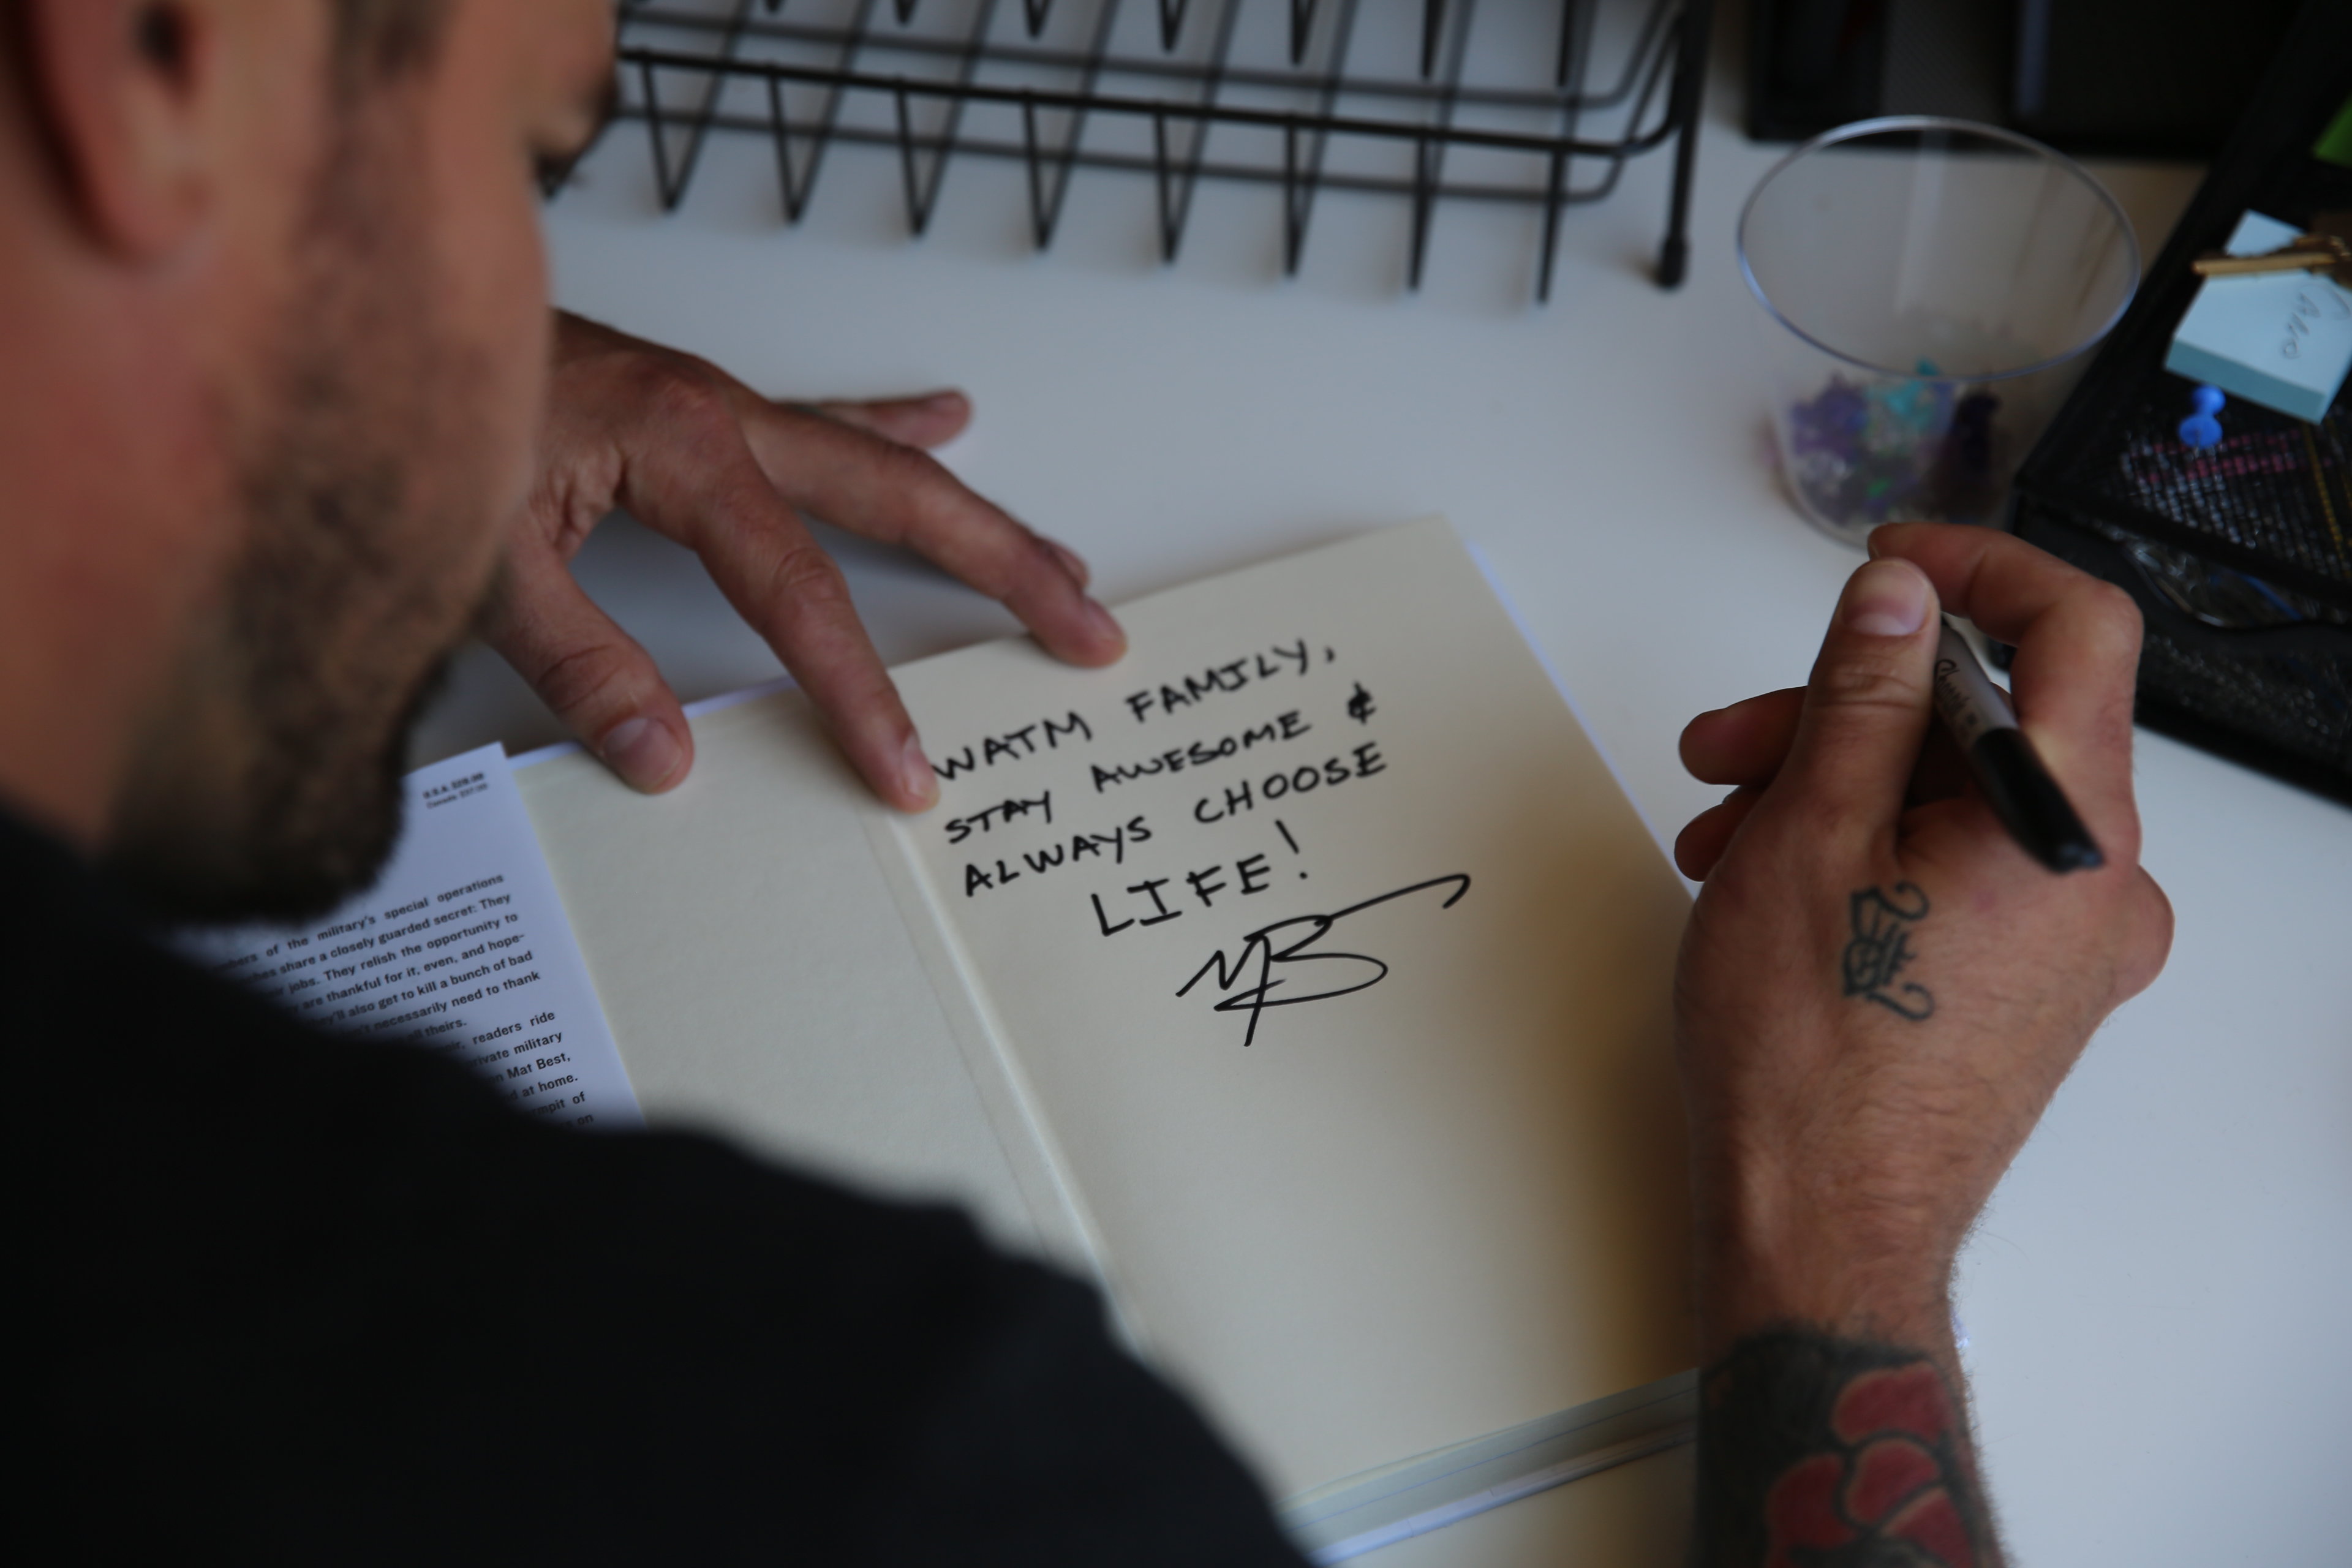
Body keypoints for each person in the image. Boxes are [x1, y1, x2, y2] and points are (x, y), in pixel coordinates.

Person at [4, 2, 2170, 1563]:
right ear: (154, 62)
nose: (524, 333)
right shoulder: (844, 1445)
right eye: (520, 175)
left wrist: (280, 334)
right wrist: (1846, 1206)